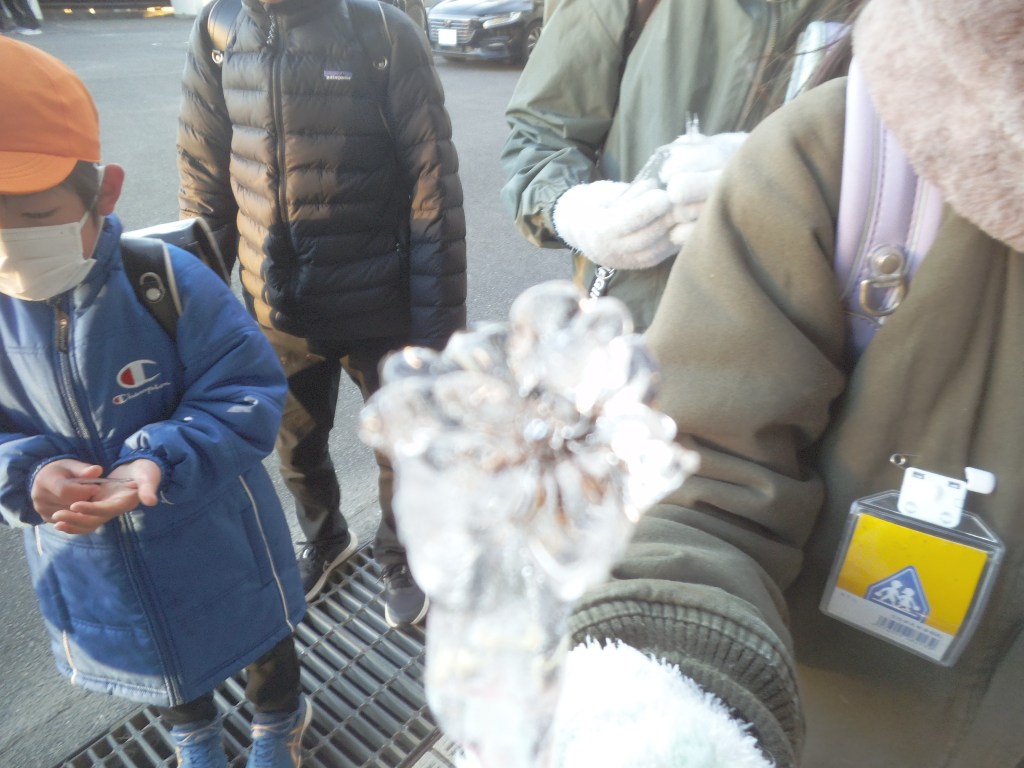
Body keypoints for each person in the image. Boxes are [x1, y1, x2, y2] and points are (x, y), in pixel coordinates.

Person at [553, 0, 1024, 765]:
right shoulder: (840, 147)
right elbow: (541, 131)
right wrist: (566, 205)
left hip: (775, 309)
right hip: (665, 325)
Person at [0, 38, 308, 768]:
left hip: (213, 533)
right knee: (153, 655)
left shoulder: (164, 280)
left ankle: (278, 719)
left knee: (260, 638)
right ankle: (192, 732)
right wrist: (28, 473)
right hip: (88, 554)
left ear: (103, 192)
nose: (9, 249)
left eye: (34, 213)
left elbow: (246, 388)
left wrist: (158, 460)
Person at [177, 0, 467, 626]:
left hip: (382, 301)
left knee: (404, 448)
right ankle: (327, 539)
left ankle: (403, 554)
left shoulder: (382, 31)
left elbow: (433, 190)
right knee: (295, 446)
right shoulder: (220, 28)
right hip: (275, 302)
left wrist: (438, 333)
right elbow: (204, 180)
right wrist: (189, 313)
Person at [500, 0, 858, 332]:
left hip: (803, 340)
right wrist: (574, 212)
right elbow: (543, 131)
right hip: (635, 329)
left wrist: (788, 171)